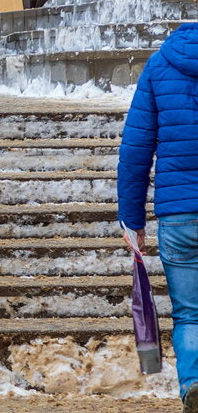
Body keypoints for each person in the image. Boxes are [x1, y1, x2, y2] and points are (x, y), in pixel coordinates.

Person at [118, 22, 198, 411]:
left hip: (179, 215)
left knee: (190, 314)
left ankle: (194, 382)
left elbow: (136, 149)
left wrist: (131, 220)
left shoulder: (159, 64)